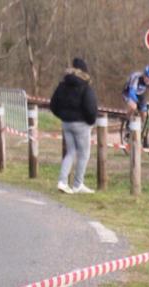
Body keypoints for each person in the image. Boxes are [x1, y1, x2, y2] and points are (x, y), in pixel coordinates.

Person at [50, 57, 98, 194]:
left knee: (70, 152)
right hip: (81, 124)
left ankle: (62, 181)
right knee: (84, 154)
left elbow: (53, 104)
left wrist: (63, 116)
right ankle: (78, 184)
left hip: (66, 123)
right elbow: (90, 107)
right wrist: (90, 121)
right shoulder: (85, 86)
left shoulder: (62, 85)